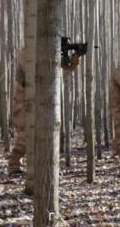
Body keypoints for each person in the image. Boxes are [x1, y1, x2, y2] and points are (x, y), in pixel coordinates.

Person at [7, 47, 81, 175]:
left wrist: (74, 57)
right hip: (23, 98)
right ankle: (14, 165)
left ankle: (39, 165)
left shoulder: (46, 53)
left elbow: (68, 68)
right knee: (26, 133)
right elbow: (33, 71)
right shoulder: (26, 53)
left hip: (40, 100)